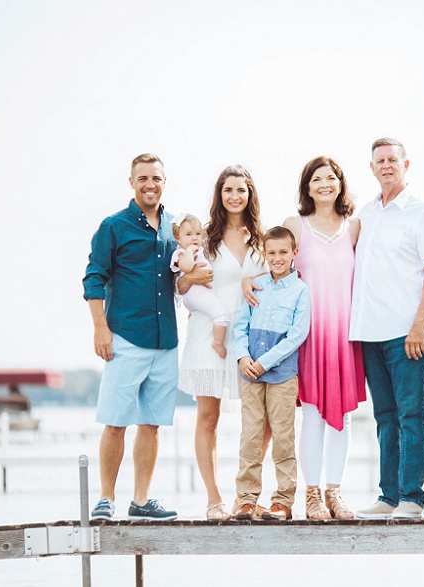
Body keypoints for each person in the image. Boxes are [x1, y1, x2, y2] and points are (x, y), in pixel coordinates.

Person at [351, 138, 424, 519]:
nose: (386, 165)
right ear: (371, 168)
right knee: (384, 417)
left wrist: (419, 326)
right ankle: (387, 496)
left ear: (406, 164)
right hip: (369, 334)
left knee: (410, 415)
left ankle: (411, 497)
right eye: (380, 161)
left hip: (406, 334)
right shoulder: (366, 214)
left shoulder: (421, 214)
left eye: (393, 160)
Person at [83, 153, 179, 521]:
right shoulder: (114, 226)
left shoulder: (174, 226)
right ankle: (105, 498)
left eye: (155, 177)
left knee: (151, 424)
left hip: (166, 340)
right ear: (131, 182)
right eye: (142, 178)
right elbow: (94, 276)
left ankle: (141, 499)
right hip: (124, 335)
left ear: (164, 181)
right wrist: (99, 327)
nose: (149, 184)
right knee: (116, 420)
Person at [176, 165, 268, 521]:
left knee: (261, 419)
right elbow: (181, 287)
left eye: (241, 190)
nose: (234, 196)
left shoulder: (260, 238)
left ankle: (245, 495)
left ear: (249, 195)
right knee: (208, 417)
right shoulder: (204, 238)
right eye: (228, 190)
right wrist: (188, 279)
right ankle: (214, 500)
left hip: (252, 338)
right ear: (220, 195)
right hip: (210, 335)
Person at [282, 156, 365, 519]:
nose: (325, 184)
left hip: (347, 336)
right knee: (313, 414)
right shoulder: (294, 226)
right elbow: (274, 270)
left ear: (341, 183)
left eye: (331, 178)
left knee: (343, 416)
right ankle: (311, 494)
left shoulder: (356, 227)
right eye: (317, 179)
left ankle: (335, 492)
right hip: (308, 336)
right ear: (307, 187)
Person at [232, 226, 311, 521]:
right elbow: (240, 325)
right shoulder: (256, 285)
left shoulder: (300, 291)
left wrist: (265, 362)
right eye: (271, 253)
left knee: (282, 436)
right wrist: (242, 356)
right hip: (250, 373)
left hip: (281, 374)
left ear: (294, 254)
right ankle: (246, 499)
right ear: (264, 254)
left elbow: (297, 335)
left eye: (283, 253)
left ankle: (282, 502)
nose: (277, 258)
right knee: (250, 436)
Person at [170, 213, 229, 359]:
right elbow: (186, 267)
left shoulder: (201, 249)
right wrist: (189, 252)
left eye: (197, 233)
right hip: (196, 294)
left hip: (199, 296)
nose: (194, 238)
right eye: (188, 234)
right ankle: (218, 343)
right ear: (178, 238)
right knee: (221, 315)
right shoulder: (181, 253)